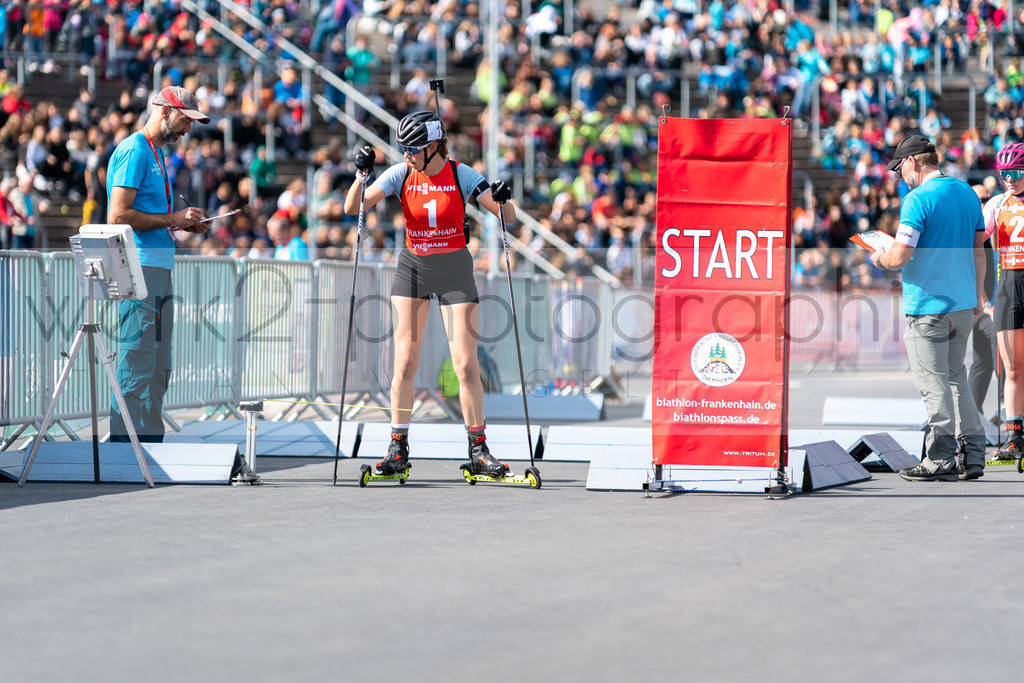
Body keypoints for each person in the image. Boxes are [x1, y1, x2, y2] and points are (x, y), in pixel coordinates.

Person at [343, 110, 515, 478]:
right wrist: (361, 175)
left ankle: (479, 449)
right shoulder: (401, 173)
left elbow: (508, 215)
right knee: (405, 360)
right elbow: (352, 206)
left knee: (466, 365)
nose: (407, 154)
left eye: (414, 148)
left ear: (435, 146)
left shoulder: (460, 173)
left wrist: (503, 197)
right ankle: (397, 448)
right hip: (414, 269)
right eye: (403, 148)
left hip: (454, 270)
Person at [871, 135, 988, 481]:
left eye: (900, 169)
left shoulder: (917, 199)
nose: (899, 176)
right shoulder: (967, 192)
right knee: (956, 379)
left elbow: (899, 256)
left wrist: (877, 256)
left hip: (928, 307)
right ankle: (975, 454)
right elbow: (978, 250)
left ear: (912, 163)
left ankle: (940, 458)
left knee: (932, 383)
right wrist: (979, 296)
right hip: (963, 303)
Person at [106, 86, 210, 443]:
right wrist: (174, 218)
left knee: (159, 365)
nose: (188, 130)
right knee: (137, 359)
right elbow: (118, 214)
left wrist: (181, 222)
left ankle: (149, 445)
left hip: (157, 266)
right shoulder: (135, 150)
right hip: (139, 266)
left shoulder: (152, 151)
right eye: (185, 119)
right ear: (164, 111)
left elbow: (151, 215)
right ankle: (125, 446)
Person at [982, 143, 1024, 460]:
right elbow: (976, 236)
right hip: (1008, 284)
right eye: (1005, 173)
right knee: (1012, 369)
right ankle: (1014, 436)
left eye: (1017, 173)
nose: (1010, 179)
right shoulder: (998, 203)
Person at [969, 183, 998, 424]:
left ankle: (972, 414)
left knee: (982, 362)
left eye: (988, 198)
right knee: (1004, 358)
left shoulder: (991, 229)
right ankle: (1012, 414)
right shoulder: (969, 232)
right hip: (980, 308)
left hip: (992, 307)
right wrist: (987, 305)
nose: (985, 203)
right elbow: (970, 275)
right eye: (980, 199)